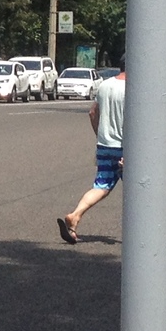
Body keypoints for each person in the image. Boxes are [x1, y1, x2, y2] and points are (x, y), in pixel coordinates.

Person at [59, 64, 125, 244]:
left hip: (105, 144)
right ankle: (141, 234)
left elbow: (92, 112)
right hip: (126, 147)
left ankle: (75, 216)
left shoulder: (105, 85)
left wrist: (100, 135)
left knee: (101, 186)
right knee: (140, 190)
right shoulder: (134, 88)